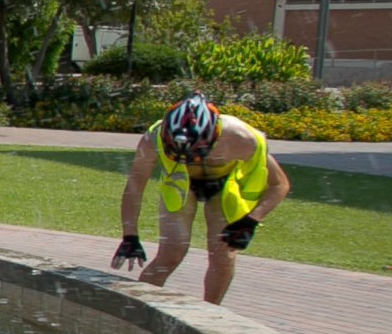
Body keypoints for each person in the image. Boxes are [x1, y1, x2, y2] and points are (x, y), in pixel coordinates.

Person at [113, 92, 290, 307]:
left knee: (222, 256)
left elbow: (279, 185)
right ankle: (136, 310)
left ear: (213, 137)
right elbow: (134, 187)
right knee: (172, 251)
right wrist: (130, 236)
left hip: (223, 187)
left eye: (195, 154)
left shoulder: (242, 139)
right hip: (182, 185)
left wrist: (250, 221)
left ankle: (210, 313)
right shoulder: (153, 138)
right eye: (176, 153)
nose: (187, 159)